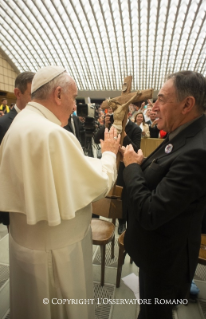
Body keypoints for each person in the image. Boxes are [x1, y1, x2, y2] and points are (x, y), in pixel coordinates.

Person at [0, 66, 120, 319]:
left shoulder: (21, 122)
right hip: (56, 253)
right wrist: (109, 152)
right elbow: (97, 183)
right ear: (57, 94)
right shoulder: (53, 133)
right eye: (73, 97)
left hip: (24, 243)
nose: (74, 106)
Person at [121, 71, 206, 319]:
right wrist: (141, 166)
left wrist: (131, 168)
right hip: (156, 252)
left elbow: (151, 212)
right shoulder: (183, 133)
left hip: (167, 260)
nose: (154, 107)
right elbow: (162, 170)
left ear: (187, 104)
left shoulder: (200, 151)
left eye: (161, 99)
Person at [94, 111, 141, 234]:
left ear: (127, 114)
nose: (118, 117)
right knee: (105, 189)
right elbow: (95, 139)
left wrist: (125, 136)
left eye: (121, 114)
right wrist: (106, 126)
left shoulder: (135, 128)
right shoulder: (111, 126)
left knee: (123, 195)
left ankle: (122, 221)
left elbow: (136, 149)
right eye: (116, 114)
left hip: (124, 166)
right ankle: (101, 215)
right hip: (108, 163)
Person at [0, 71, 35, 227]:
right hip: (14, 197)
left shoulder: (41, 121)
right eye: (31, 95)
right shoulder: (4, 124)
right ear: (17, 93)